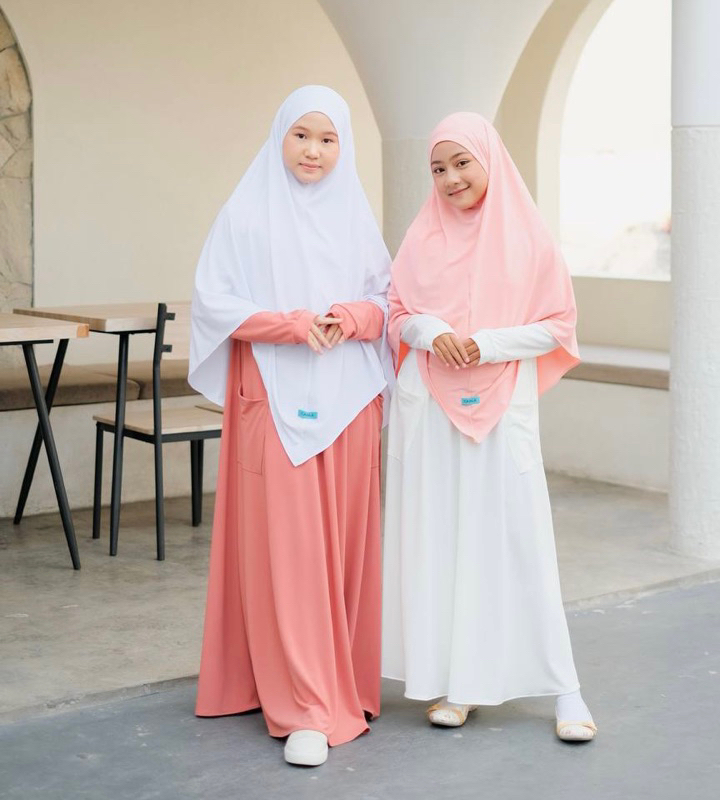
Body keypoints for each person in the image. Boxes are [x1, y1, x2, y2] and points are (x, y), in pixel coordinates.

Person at [189, 85, 392, 767]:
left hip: (349, 400)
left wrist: (353, 317)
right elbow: (215, 303)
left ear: (344, 147)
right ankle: (306, 704)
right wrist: (292, 324)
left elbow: (387, 299)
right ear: (280, 136)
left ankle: (340, 681)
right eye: (302, 135)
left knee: (339, 545)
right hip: (273, 395)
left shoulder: (355, 218)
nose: (314, 151)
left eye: (328, 139)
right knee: (287, 546)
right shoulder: (247, 215)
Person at [382, 112, 596, 742]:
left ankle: (565, 689)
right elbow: (396, 312)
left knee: (518, 536)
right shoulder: (421, 238)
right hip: (428, 404)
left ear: (489, 161)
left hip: (502, 403)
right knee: (443, 537)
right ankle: (461, 684)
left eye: (462, 163)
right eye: (438, 168)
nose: (451, 178)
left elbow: (559, 325)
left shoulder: (529, 239)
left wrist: (486, 343)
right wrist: (431, 330)